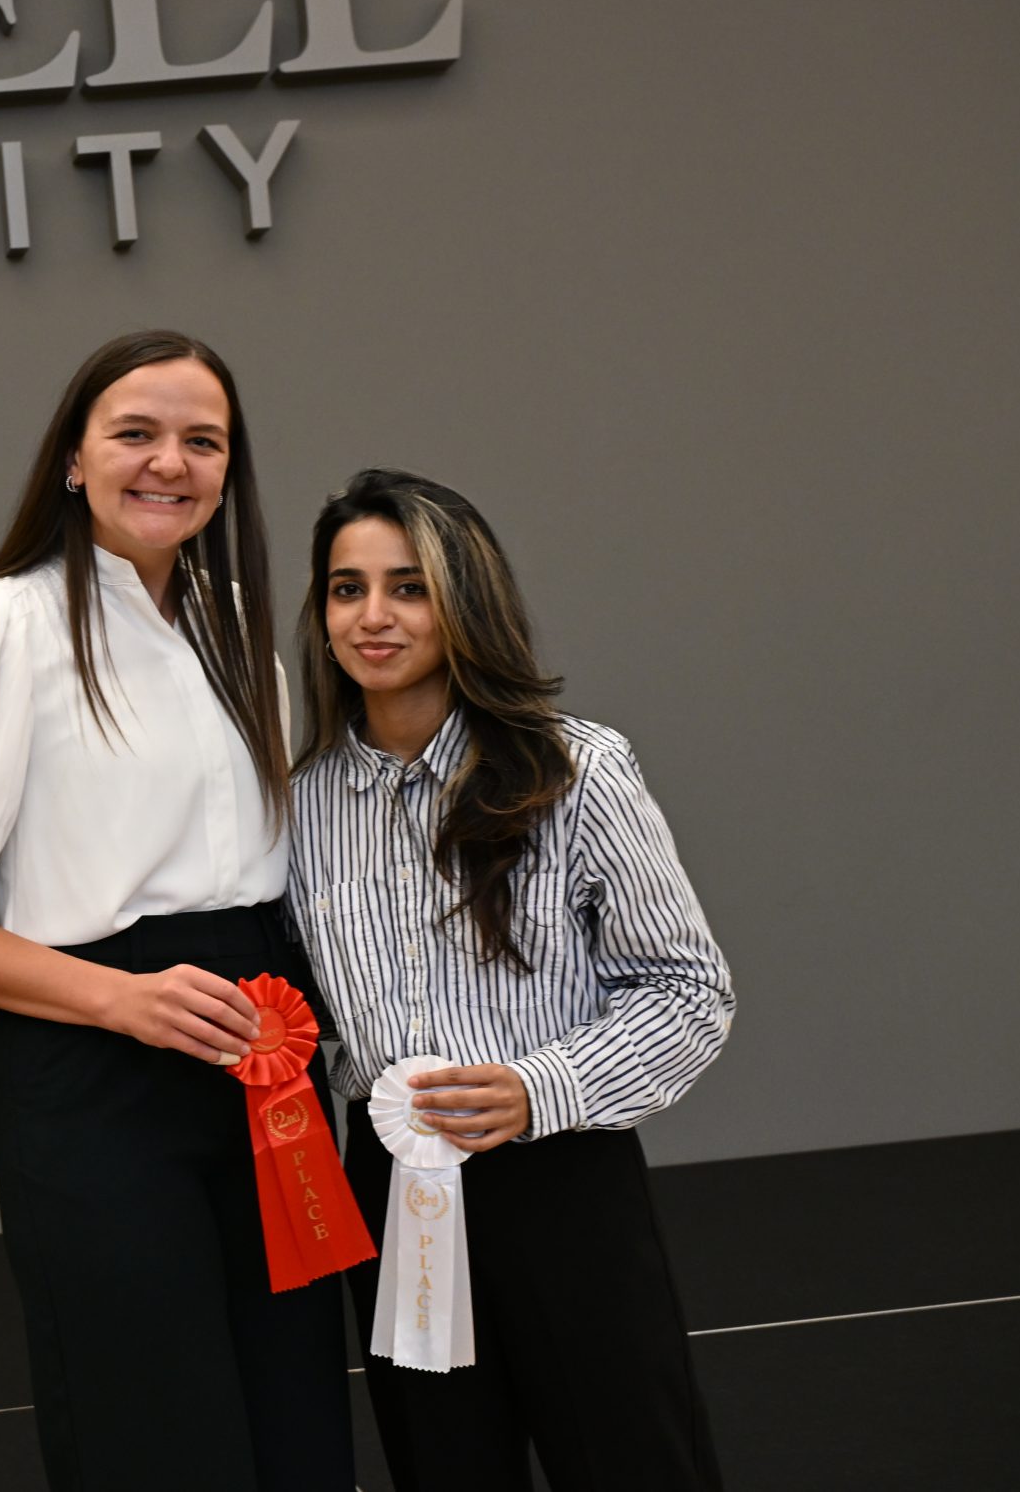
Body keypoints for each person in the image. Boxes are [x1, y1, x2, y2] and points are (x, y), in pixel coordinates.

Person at [0, 331, 354, 1492]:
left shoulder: (238, 632)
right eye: (135, 433)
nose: (168, 463)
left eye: (202, 441)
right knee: (155, 1431)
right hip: (95, 1077)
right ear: (74, 461)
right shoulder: (0, 625)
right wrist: (118, 1001)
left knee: (295, 1418)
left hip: (262, 1064)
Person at [287, 467, 734, 1491]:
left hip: (561, 1185)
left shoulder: (575, 771)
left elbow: (685, 989)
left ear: (464, 602)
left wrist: (540, 1088)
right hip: (392, 1193)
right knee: (443, 1469)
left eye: (407, 586)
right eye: (346, 588)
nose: (373, 616)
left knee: (634, 1464)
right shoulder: (294, 810)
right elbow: (306, 1023)